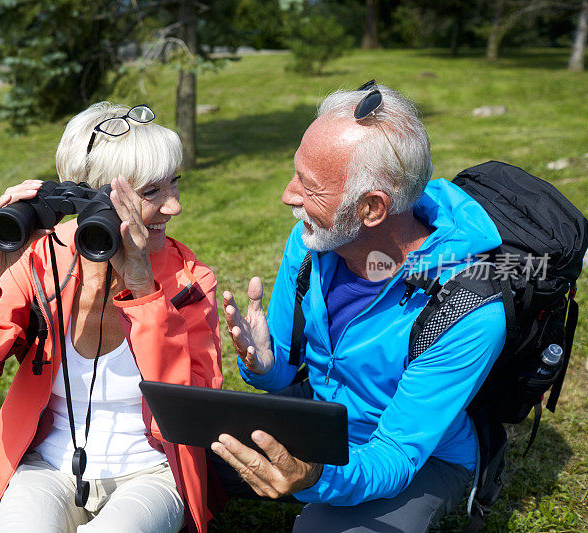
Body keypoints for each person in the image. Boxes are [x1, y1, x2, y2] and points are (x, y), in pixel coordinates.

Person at [215, 82, 507, 532]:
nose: (288, 196)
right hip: (326, 421)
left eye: (310, 189)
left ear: (371, 208)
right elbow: (287, 375)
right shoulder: (312, 245)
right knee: (186, 455)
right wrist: (265, 365)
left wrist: (313, 478)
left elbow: (395, 453)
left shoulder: (466, 310)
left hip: (421, 456)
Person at [0, 102, 223, 533]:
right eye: (152, 192)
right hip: (49, 464)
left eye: (175, 184)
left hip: (152, 469)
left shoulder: (190, 281)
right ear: (96, 198)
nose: (174, 207)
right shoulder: (39, 265)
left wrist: (143, 289)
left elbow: (193, 416)